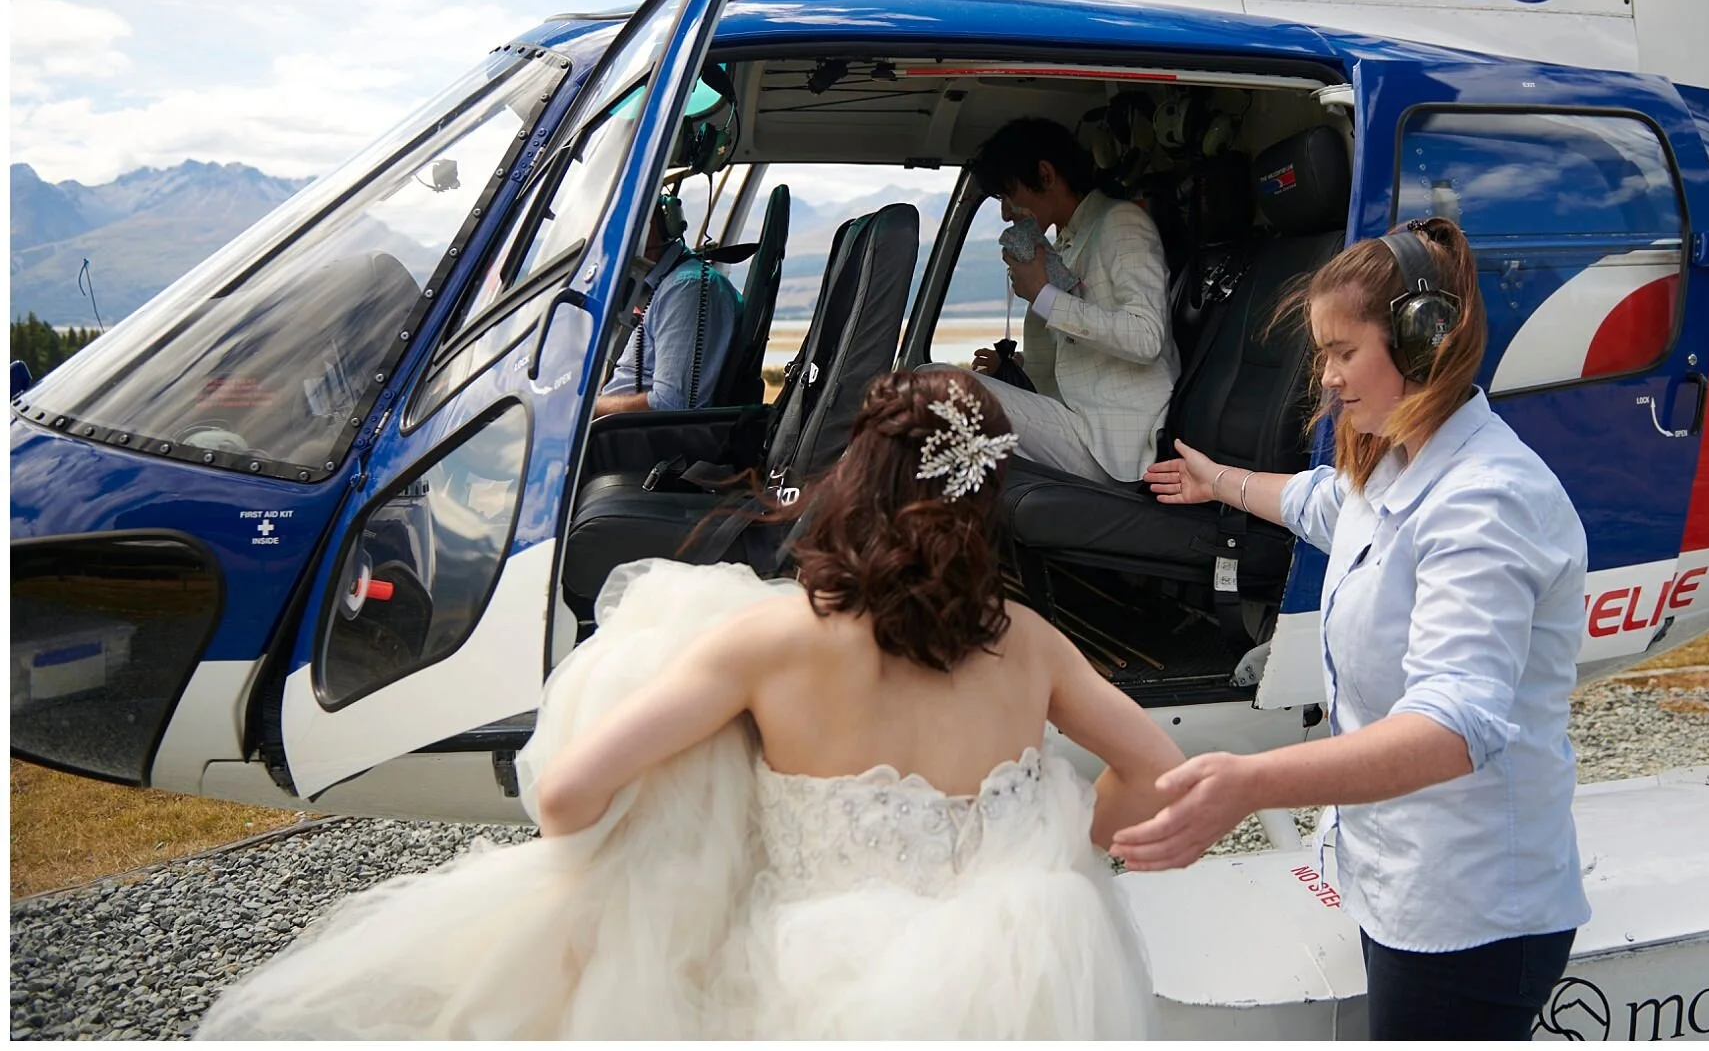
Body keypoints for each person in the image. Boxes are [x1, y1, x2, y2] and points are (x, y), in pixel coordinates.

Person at [198, 370, 1178, 1040]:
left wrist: (690, 815)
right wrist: (1065, 850)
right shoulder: (1029, 645)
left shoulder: (771, 641)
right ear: (982, 493)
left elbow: (566, 796)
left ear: (856, 473)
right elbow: (1156, 773)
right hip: (1004, 992)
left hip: (805, 982)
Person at [1116, 216, 1590, 1040]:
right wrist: (1215, 482)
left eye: (1344, 352)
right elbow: (1319, 503)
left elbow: (1453, 727)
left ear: (1422, 341)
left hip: (1470, 912)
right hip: (1401, 881)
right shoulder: (1401, 461)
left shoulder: (1486, 499)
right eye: (1322, 355)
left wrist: (1252, 782)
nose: (1327, 378)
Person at [962, 117, 1178, 484]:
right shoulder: (1065, 243)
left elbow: (1145, 337)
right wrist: (1013, 365)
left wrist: (1045, 296)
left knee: (937, 388)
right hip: (1078, 421)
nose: (1005, 212)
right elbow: (1086, 351)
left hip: (1115, 445)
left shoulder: (1121, 223)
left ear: (1045, 175)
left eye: (1008, 194)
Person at [593, 195, 739, 415]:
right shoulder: (665, 285)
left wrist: (584, 411)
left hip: (631, 439)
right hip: (618, 431)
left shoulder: (687, 289)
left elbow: (670, 404)